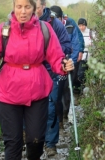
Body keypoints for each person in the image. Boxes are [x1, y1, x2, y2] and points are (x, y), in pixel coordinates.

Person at [0, 0, 74, 159]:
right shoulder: (4, 29)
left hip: (37, 91)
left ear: (34, 9)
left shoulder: (44, 29)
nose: (23, 11)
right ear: (14, 8)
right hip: (8, 92)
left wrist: (64, 65)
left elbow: (56, 57)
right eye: (19, 7)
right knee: (13, 142)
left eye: (27, 7)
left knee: (36, 140)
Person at [35, 0, 72, 156]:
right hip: (32, 72)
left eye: (35, 7)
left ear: (43, 6)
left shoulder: (55, 24)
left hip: (51, 71)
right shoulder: (23, 23)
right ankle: (31, 139)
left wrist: (51, 48)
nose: (31, 10)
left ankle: (50, 144)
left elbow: (67, 46)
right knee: (28, 106)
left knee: (51, 107)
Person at [50, 5, 81, 121]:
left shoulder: (71, 26)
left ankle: (65, 113)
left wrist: (70, 61)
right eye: (53, 17)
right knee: (55, 93)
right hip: (54, 65)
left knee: (66, 91)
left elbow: (75, 44)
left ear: (62, 17)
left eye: (58, 17)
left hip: (68, 63)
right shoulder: (48, 27)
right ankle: (58, 119)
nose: (56, 20)